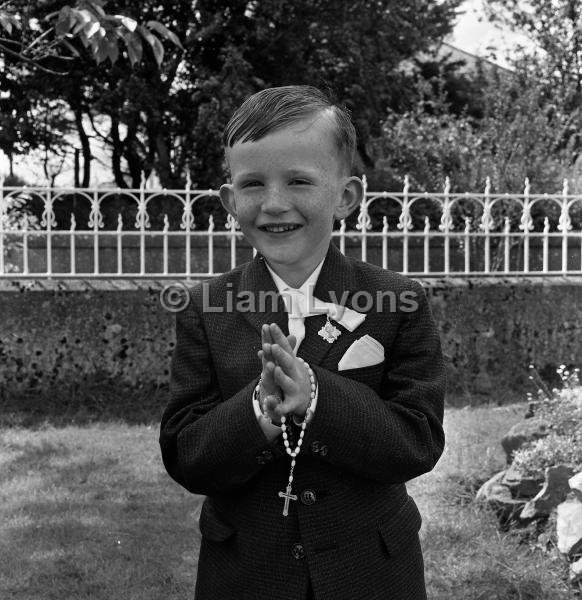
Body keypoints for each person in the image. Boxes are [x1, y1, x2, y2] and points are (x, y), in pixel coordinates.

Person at [159, 85, 446, 600]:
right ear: (229, 200)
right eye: (252, 184)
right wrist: (259, 411)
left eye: (298, 181)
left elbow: (418, 442)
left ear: (346, 197)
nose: (274, 204)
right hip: (245, 574)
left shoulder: (398, 302)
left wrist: (317, 395)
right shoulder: (205, 308)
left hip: (371, 574)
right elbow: (187, 457)